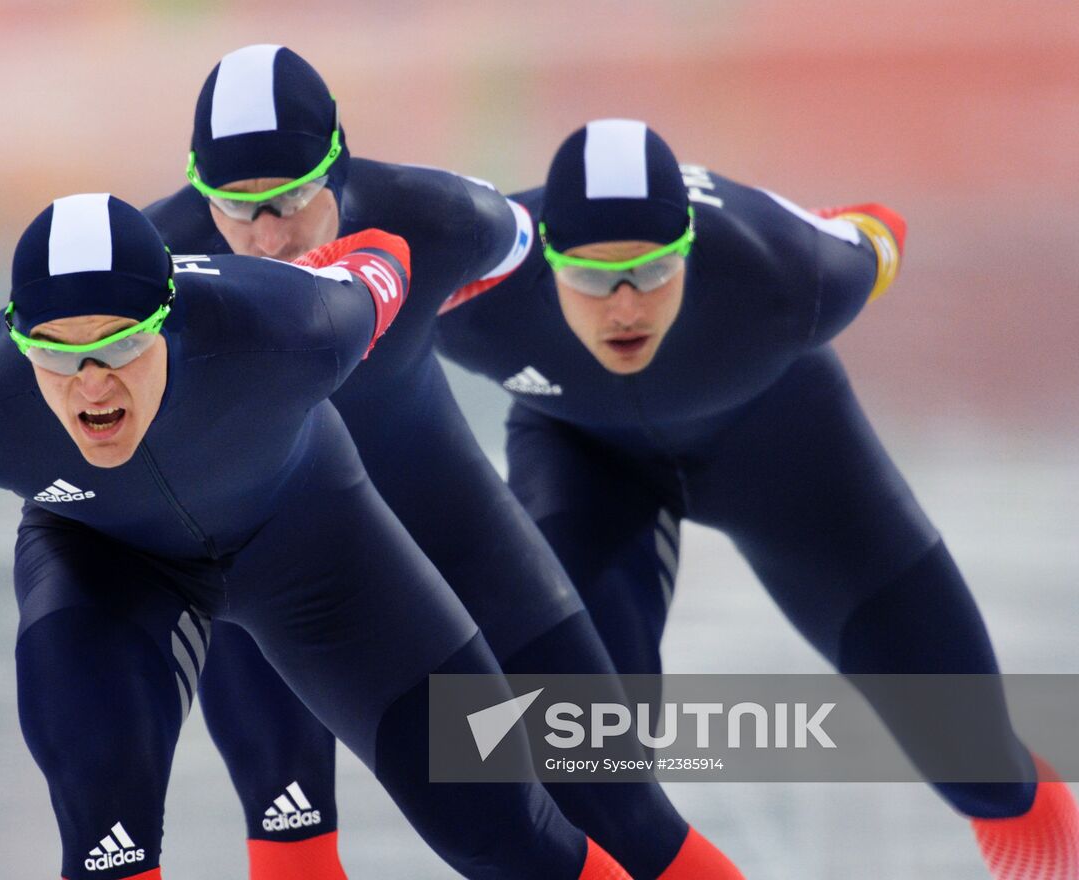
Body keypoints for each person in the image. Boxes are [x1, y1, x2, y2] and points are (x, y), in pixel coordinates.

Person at [0, 193, 634, 880]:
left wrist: (315, 270)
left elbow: (381, 254)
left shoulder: (293, 327)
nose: (90, 383)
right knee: (103, 828)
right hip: (107, 561)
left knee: (505, 830)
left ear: (168, 318)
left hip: (311, 542)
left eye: (119, 347)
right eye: (57, 354)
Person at [144, 46, 742, 880]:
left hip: (449, 523)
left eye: (289, 199)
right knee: (292, 846)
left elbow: (544, 261)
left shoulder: (441, 218)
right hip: (278, 571)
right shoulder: (152, 269)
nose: (267, 236)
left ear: (339, 168)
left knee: (623, 808)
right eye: (235, 210)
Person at [435, 118, 1079, 879]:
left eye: (651, 271)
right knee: (583, 765)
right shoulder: (468, 288)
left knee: (979, 766)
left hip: (783, 450)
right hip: (582, 462)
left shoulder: (788, 270)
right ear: (544, 261)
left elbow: (876, 230)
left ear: (691, 250)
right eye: (589, 278)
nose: (624, 307)